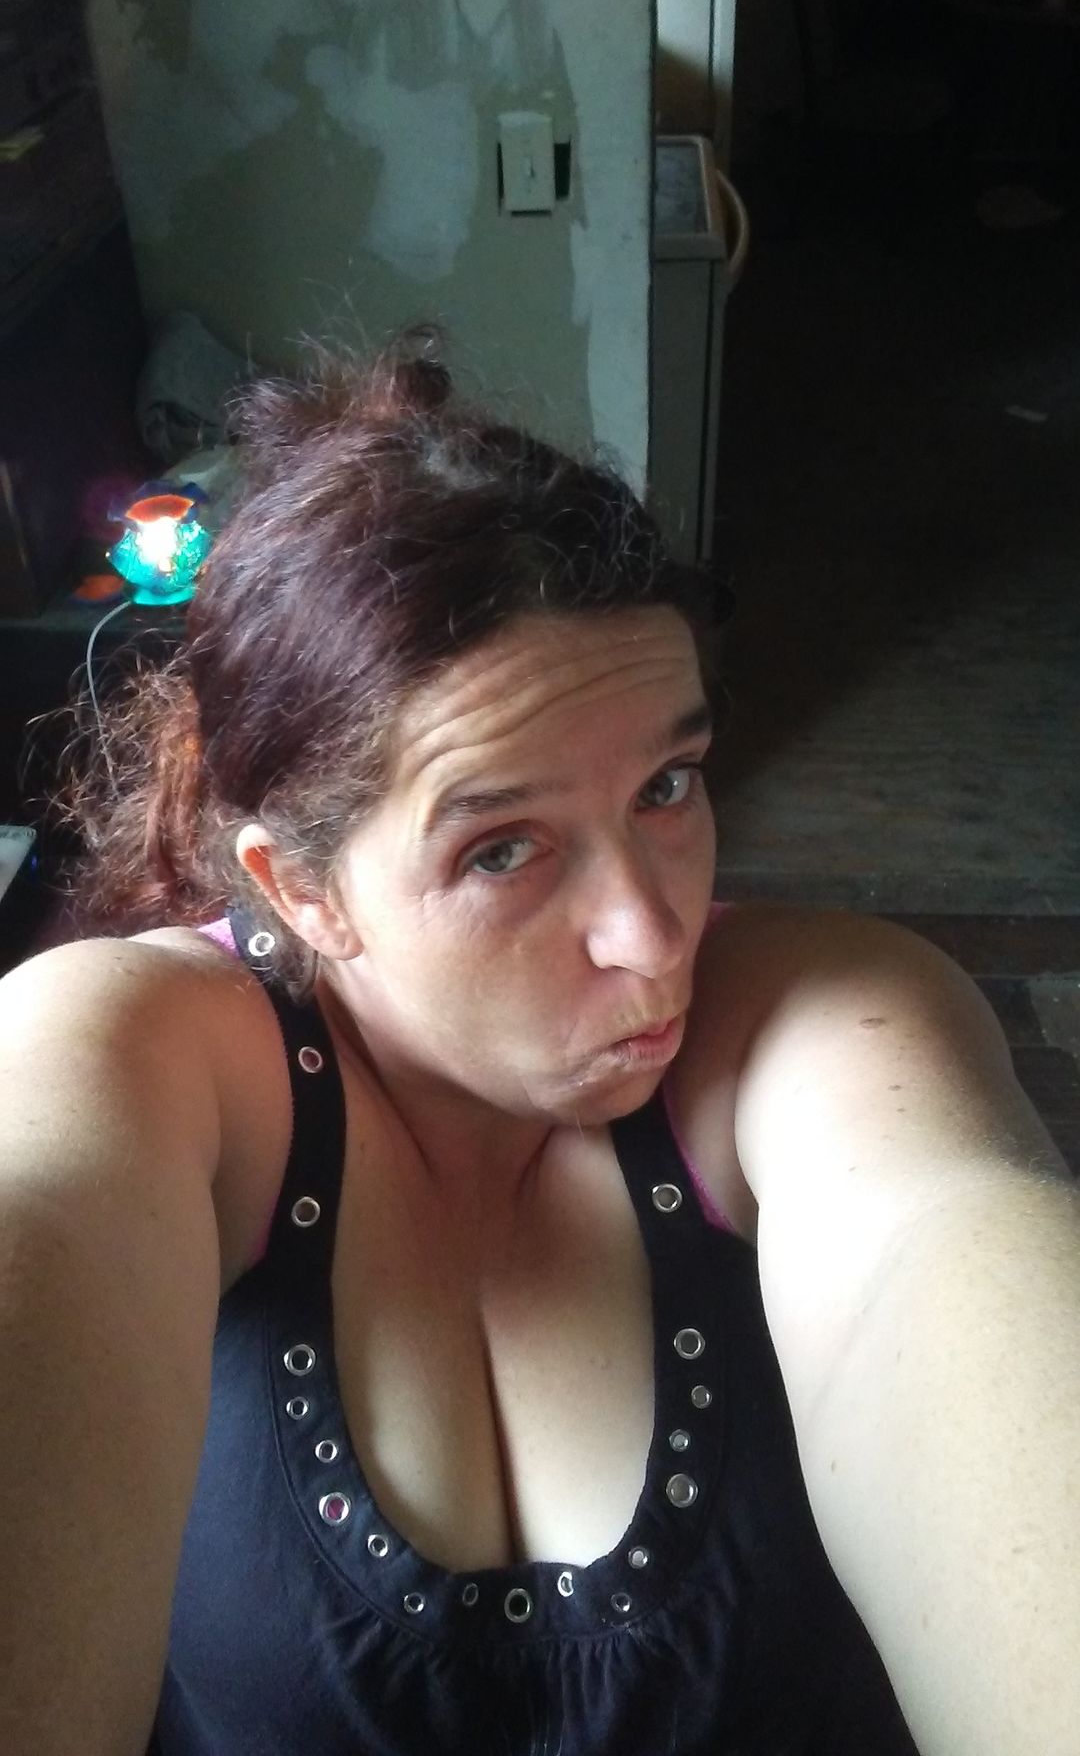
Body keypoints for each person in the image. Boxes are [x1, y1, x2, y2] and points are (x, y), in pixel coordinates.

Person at [2, 342, 1078, 1756]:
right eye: (501, 849)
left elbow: (944, 1237)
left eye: (667, 786)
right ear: (299, 889)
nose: (652, 933)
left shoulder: (826, 1021)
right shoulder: (146, 1050)